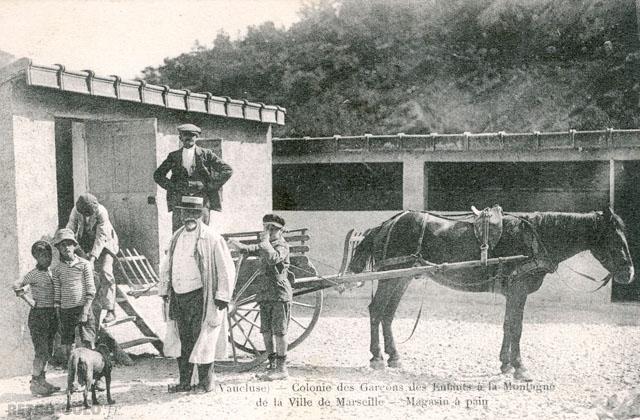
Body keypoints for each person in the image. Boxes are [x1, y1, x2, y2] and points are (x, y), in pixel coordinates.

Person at [159, 196, 236, 393]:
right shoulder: (176, 236)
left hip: (200, 297)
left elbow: (226, 269)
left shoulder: (212, 238)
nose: (189, 217)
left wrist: (222, 295)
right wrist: (164, 290)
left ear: (200, 215)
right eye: (186, 213)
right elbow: (166, 265)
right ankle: (184, 382)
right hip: (178, 297)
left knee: (203, 339)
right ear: (181, 214)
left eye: (194, 213)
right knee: (182, 339)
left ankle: (205, 383)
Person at [228, 214, 291, 380]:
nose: (269, 231)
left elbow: (273, 259)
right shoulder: (267, 244)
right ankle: (271, 364)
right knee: (266, 331)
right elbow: (251, 249)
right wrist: (238, 245)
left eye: (273, 229)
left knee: (280, 331)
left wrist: (265, 244)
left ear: (281, 230)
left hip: (279, 293)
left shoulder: (282, 245)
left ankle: (282, 369)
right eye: (266, 228)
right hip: (264, 293)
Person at [153, 124, 233, 231]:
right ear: (180, 137)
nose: (188, 138)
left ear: (196, 138)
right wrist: (173, 187)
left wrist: (209, 186)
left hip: (201, 201)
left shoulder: (206, 154)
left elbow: (227, 170)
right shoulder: (174, 156)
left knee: (201, 232)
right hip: (180, 201)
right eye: (185, 135)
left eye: (192, 135)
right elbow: (158, 175)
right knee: (179, 233)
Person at [13, 240, 61, 396]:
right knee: (41, 351)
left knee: (48, 350)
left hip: (52, 314)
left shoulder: (52, 272)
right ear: (36, 257)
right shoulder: (33, 274)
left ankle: (43, 381)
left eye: (48, 255)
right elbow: (16, 285)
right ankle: (34, 382)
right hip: (38, 315)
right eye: (42, 256)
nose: (46, 259)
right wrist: (30, 301)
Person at [66, 193, 119, 325]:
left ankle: (110, 310)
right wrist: (76, 249)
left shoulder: (102, 212)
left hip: (106, 243)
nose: (87, 216)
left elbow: (101, 237)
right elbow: (70, 229)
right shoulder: (75, 210)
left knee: (106, 272)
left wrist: (92, 259)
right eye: (84, 214)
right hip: (86, 242)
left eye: (89, 214)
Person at [51, 228, 96, 359]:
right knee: (68, 343)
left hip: (83, 307)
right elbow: (57, 293)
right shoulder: (57, 270)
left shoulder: (84, 264)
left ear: (74, 245)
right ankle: (72, 372)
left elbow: (90, 289)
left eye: (69, 244)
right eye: (62, 245)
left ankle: (89, 372)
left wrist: (86, 311)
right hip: (66, 310)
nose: (66, 248)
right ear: (58, 248)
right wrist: (58, 313)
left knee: (87, 340)